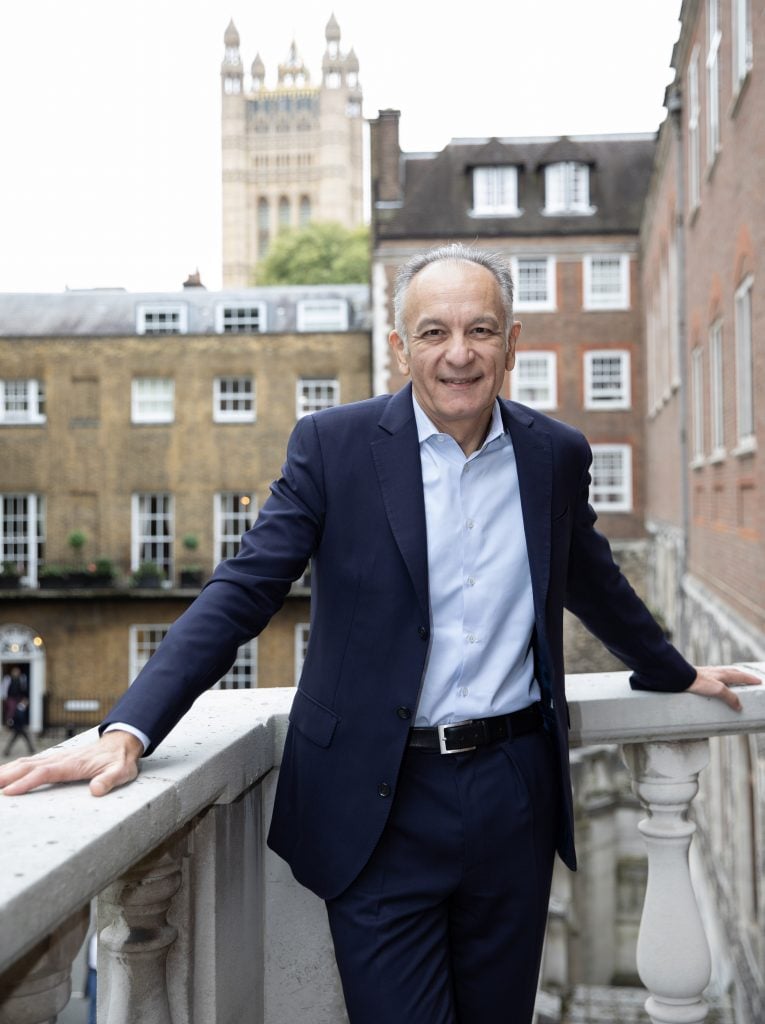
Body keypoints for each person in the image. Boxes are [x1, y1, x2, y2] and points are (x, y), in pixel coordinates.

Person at [0, 244, 759, 1023]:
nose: (458, 355)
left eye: (480, 331)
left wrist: (670, 668)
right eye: (432, 333)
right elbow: (245, 589)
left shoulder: (552, 455)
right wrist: (130, 725)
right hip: (378, 803)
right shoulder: (333, 447)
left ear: (512, 342)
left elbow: (590, 578)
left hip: (513, 796)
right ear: (400, 346)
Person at [2, 665, 35, 757]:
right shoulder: (8, 680)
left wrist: (25, 701)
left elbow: (25, 691)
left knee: (19, 729)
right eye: (14, 671)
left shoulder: (22, 679)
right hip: (12, 703)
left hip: (19, 703)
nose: (16, 673)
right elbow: (5, 693)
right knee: (20, 730)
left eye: (17, 671)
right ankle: (30, 748)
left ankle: (7, 750)